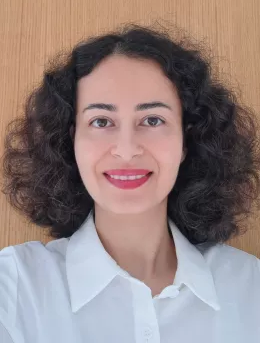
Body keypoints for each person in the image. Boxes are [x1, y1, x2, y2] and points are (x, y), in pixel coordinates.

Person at [0, 21, 260, 343]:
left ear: (186, 141)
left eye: (152, 120)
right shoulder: (12, 289)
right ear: (71, 141)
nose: (126, 150)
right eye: (101, 121)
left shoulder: (251, 289)